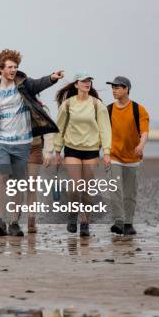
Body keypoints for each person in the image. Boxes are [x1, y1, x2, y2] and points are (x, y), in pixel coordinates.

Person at [0, 49, 63, 237]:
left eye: (15, 66)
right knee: (2, 178)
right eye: (10, 67)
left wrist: (52, 78)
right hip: (0, 142)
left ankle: (13, 222)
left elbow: (38, 84)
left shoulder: (23, 84)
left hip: (22, 143)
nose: (13, 70)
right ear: (1, 69)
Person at [53, 72, 111, 237]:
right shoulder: (67, 104)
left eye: (89, 80)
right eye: (84, 81)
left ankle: (85, 221)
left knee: (87, 188)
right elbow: (59, 127)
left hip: (92, 150)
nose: (87, 83)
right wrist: (57, 151)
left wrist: (106, 151)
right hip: (71, 149)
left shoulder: (97, 104)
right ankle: (72, 214)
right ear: (76, 84)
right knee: (76, 185)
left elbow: (105, 128)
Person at [106, 76, 149, 236]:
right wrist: (103, 152)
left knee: (130, 193)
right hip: (114, 156)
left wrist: (140, 145)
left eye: (117, 87)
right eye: (113, 87)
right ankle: (118, 222)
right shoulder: (108, 110)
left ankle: (128, 223)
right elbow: (103, 132)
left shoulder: (139, 110)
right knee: (115, 189)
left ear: (126, 89)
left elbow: (144, 132)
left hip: (132, 157)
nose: (114, 90)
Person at [26, 101, 54, 234]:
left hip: (35, 149)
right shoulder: (12, 103)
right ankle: (13, 220)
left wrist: (48, 152)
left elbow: (48, 131)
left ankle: (31, 220)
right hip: (15, 149)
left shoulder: (41, 107)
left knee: (32, 186)